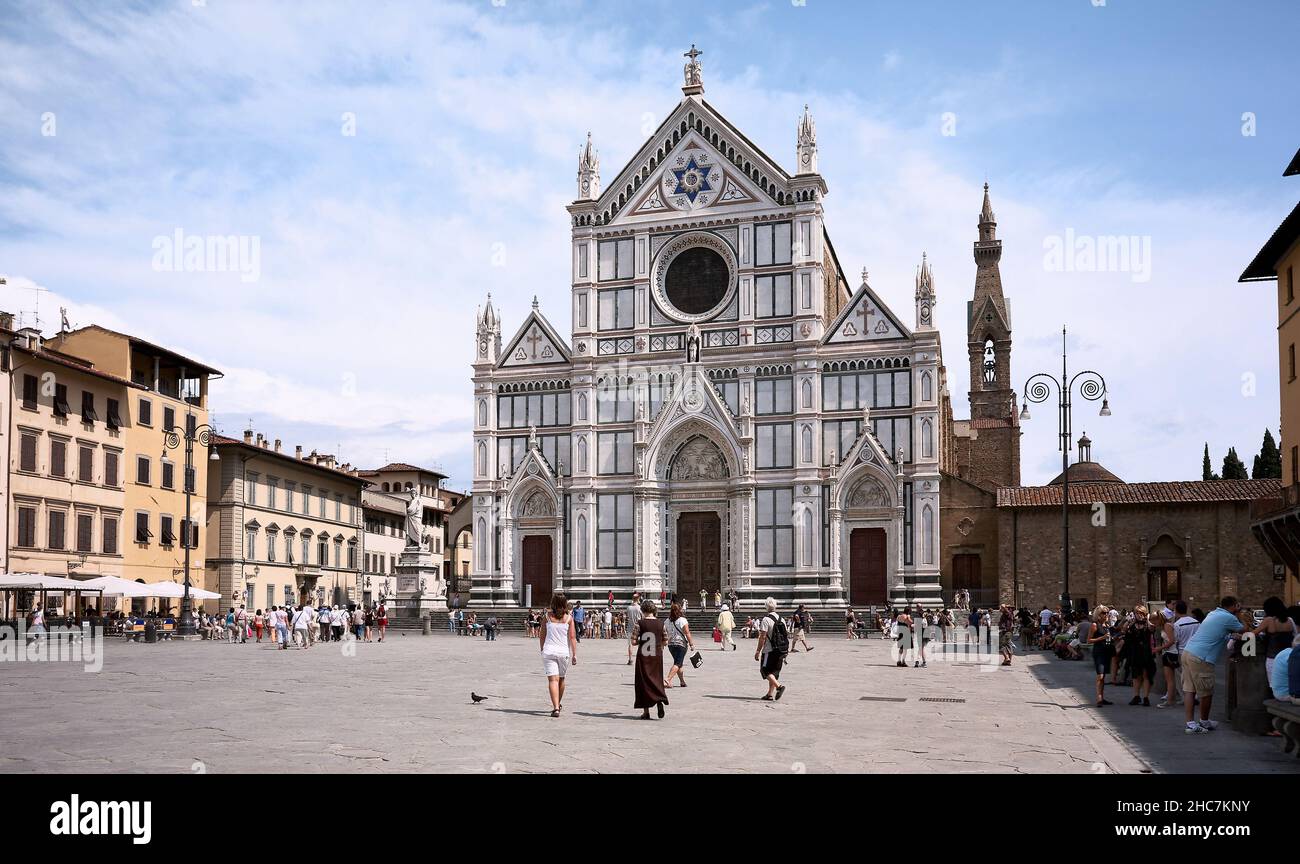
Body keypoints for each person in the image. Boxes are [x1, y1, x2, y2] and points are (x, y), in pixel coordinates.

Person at [1180, 596, 1246, 734]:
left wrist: (1230, 636)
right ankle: (1204, 721)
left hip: (1188, 652)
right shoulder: (1229, 617)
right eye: (1237, 606)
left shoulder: (1213, 613)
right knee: (1206, 692)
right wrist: (1240, 613)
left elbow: (1216, 632)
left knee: (1189, 690)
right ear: (1234, 605)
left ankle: (1190, 724)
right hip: (1202, 657)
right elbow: (1244, 629)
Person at [539, 593, 577, 718]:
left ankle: (556, 707)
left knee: (552, 680)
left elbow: (542, 635)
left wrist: (542, 650)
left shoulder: (547, 616)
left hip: (549, 651)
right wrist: (574, 654)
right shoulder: (569, 618)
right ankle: (557, 704)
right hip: (563, 652)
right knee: (561, 679)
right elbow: (572, 637)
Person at [632, 600, 669, 720]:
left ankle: (646, 712)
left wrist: (641, 641)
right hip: (656, 655)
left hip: (643, 656)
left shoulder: (640, 623)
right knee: (656, 679)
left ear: (643, 610)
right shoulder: (661, 623)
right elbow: (665, 641)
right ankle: (659, 700)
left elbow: (633, 641)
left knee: (643, 682)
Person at [1249, 596, 1296, 681]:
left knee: (1274, 685)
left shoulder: (1269, 620)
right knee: (1287, 683)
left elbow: (1252, 634)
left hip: (1273, 658)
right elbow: (1295, 635)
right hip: (1289, 657)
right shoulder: (1290, 620)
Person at [1117, 606, 1156, 706]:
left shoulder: (1148, 624)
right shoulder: (1132, 624)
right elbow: (1122, 630)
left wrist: (1147, 619)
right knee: (1136, 675)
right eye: (1137, 613)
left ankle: (1146, 697)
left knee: (1146, 674)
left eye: (1141, 613)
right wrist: (1129, 621)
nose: (1139, 615)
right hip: (1134, 652)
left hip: (1146, 653)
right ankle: (1136, 696)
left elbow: (1153, 628)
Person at [755, 597, 788, 701]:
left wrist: (758, 651)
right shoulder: (782, 619)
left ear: (766, 607)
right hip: (781, 650)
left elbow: (762, 637)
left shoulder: (766, 619)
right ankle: (769, 694)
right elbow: (785, 636)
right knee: (774, 672)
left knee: (765, 670)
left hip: (769, 650)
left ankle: (779, 687)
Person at [1155, 605, 1182, 709]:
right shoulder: (1166, 626)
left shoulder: (1167, 626)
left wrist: (1160, 648)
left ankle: (1170, 700)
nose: (1154, 623)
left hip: (1171, 653)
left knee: (1170, 679)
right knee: (1171, 679)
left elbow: (1172, 641)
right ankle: (1171, 699)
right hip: (1169, 652)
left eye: (1155, 620)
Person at [664, 603, 694, 689]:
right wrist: (691, 644)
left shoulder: (666, 621)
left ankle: (682, 681)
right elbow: (687, 633)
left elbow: (665, 633)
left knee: (678, 663)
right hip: (681, 645)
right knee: (678, 663)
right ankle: (667, 680)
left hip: (671, 645)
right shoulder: (682, 620)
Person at [625, 593, 643, 666]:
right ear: (638, 599)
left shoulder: (628, 608)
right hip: (638, 627)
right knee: (641, 644)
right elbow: (642, 617)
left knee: (630, 644)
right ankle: (641, 659)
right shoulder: (639, 608)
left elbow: (627, 617)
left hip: (630, 627)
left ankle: (630, 659)